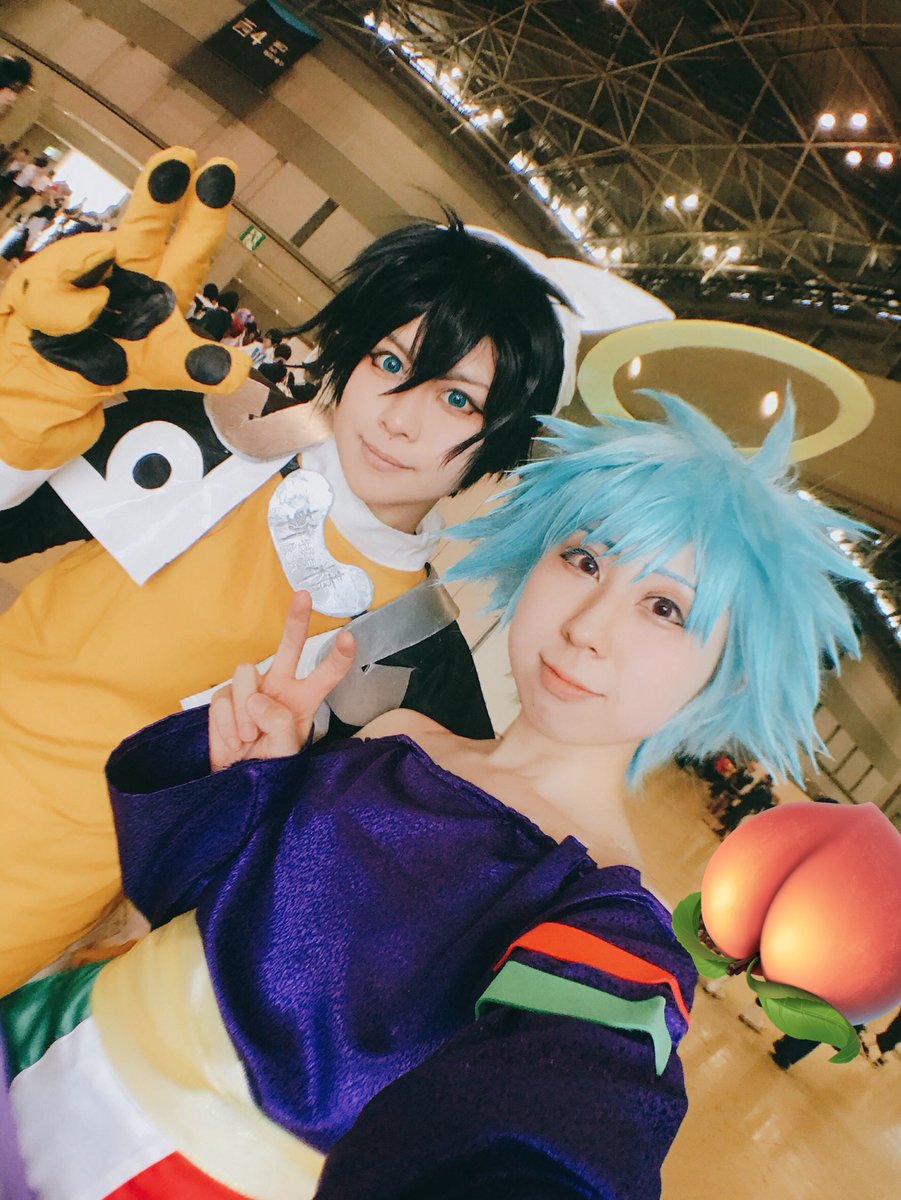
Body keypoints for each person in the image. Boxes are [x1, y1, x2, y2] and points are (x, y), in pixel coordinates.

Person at [0, 392, 867, 1197]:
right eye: (582, 560)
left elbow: (561, 1135)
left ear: (727, 676)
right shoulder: (401, 732)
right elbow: (188, 900)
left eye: (665, 609)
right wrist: (243, 781)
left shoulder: (603, 918)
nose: (586, 627)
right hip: (45, 1038)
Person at [0, 145, 669, 991]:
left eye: (457, 399)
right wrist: (30, 404)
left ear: (498, 439)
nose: (399, 419)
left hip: (36, 898)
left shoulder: (419, 662)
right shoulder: (214, 436)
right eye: (389, 364)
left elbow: (386, 905)